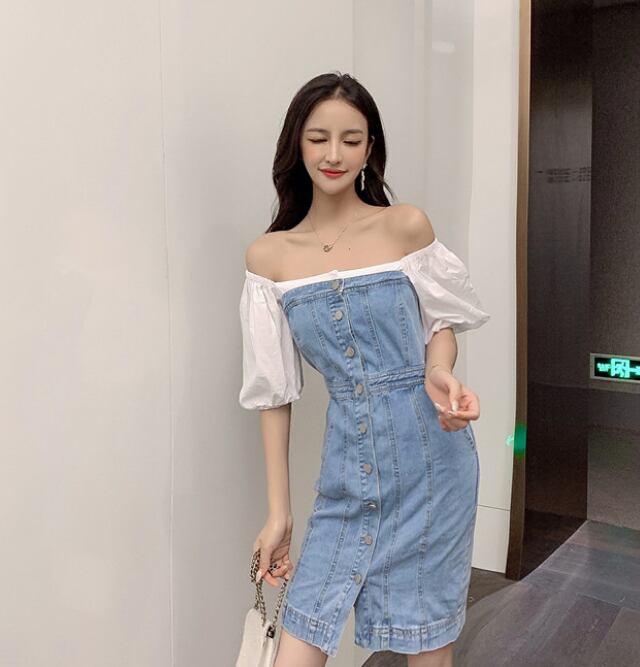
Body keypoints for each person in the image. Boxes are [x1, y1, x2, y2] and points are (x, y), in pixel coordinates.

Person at [238, 71, 491, 666]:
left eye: (351, 139)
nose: (334, 154)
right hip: (345, 475)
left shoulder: (405, 226)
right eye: (318, 138)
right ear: (296, 144)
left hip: (434, 465)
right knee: (298, 644)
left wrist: (438, 371)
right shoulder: (269, 258)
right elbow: (274, 394)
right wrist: (280, 512)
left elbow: (439, 323)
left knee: (427, 647)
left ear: (370, 146)